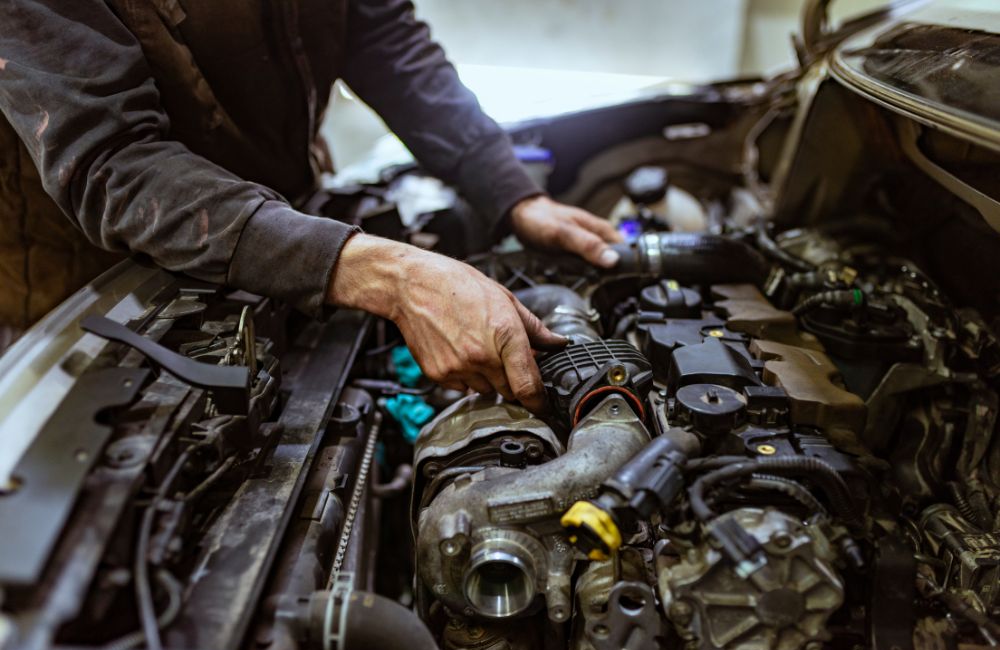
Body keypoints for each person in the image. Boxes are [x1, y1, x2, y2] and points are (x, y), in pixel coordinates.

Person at [0, 0, 623, 411]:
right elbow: (114, 162)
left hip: (283, 221)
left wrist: (510, 191)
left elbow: (381, 36)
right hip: (93, 290)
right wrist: (390, 274)